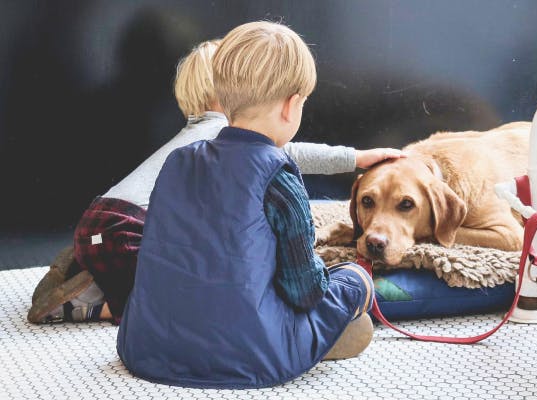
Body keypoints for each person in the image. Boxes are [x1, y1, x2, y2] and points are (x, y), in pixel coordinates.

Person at [28, 38, 403, 325]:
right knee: (164, 303)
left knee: (160, 271)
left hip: (103, 221)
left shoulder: (197, 136)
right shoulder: (223, 135)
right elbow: (291, 152)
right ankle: (82, 306)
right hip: (128, 227)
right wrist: (356, 158)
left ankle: (86, 269)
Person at [117, 21, 384, 389]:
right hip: (249, 354)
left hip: (148, 345)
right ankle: (319, 336)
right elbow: (305, 292)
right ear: (292, 107)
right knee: (354, 280)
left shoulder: (177, 161)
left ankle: (309, 337)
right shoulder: (279, 178)